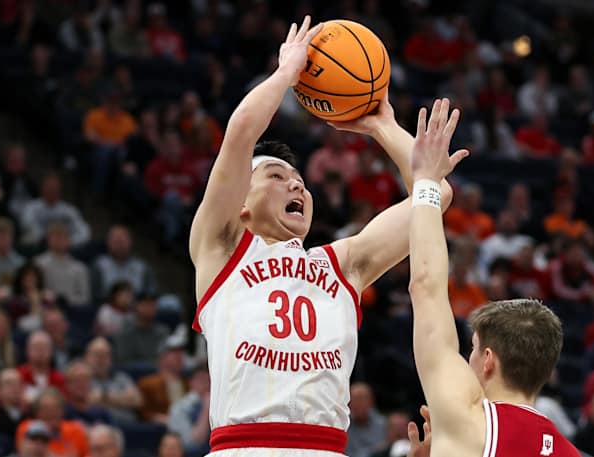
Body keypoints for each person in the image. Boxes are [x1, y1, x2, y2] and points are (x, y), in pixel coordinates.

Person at [189, 16, 461, 456]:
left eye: (300, 180)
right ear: (241, 203)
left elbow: (434, 193)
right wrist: (286, 74)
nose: (296, 185)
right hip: (244, 446)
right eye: (277, 176)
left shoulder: (342, 265)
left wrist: (380, 123)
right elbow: (240, 134)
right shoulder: (222, 249)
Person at [405, 99, 580, 456]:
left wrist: (425, 182)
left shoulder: (466, 420)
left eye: (470, 350)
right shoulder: (570, 452)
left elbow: (426, 287)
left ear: (488, 360)